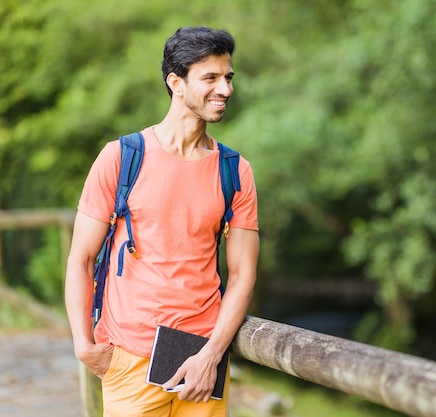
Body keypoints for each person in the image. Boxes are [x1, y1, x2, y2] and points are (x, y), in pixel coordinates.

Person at [65, 26, 259, 417]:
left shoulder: (235, 171)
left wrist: (211, 356)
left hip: (202, 362)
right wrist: (83, 345)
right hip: (129, 358)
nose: (225, 89)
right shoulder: (121, 157)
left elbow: (242, 274)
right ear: (177, 83)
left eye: (228, 77)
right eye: (211, 78)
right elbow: (81, 259)